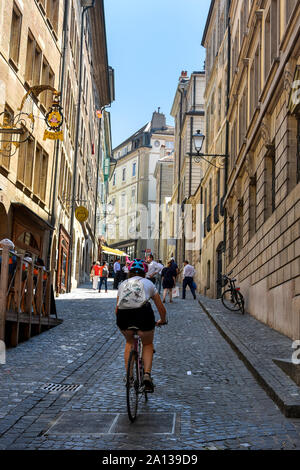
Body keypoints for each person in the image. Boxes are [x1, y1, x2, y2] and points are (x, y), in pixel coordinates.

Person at [115, 259, 167, 392]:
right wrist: (162, 320)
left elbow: (117, 309)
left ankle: (129, 376)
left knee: (129, 342)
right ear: (144, 273)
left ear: (130, 273)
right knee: (148, 344)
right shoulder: (148, 283)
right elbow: (161, 308)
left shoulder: (122, 284)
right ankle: (146, 376)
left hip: (124, 317)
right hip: (143, 317)